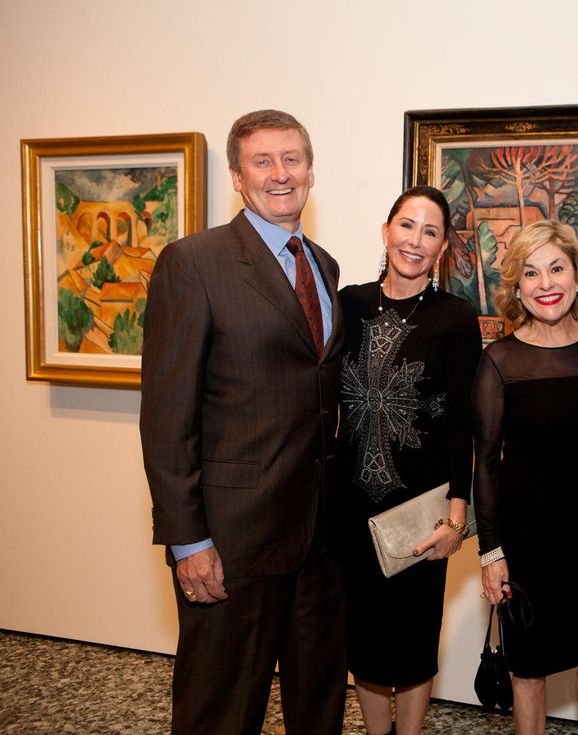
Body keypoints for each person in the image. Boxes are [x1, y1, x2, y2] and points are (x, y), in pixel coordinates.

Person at [139, 109, 347, 734]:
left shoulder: (325, 266)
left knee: (319, 705)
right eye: (263, 161)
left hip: (318, 535)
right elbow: (166, 415)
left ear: (311, 169)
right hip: (232, 540)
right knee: (221, 709)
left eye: (292, 159)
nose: (280, 174)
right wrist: (188, 540)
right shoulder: (192, 264)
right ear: (237, 175)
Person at [338, 185, 482, 735]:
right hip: (350, 507)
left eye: (430, 232)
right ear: (385, 231)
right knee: (365, 639)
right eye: (406, 225)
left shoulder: (454, 317)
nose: (415, 240)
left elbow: (461, 423)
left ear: (443, 247)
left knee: (415, 636)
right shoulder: (347, 304)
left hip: (420, 510)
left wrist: (455, 517)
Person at [473, 220, 578, 735]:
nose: (546, 283)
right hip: (526, 541)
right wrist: (491, 552)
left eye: (556, 267)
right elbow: (486, 464)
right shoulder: (499, 361)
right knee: (529, 666)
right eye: (530, 273)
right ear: (516, 287)